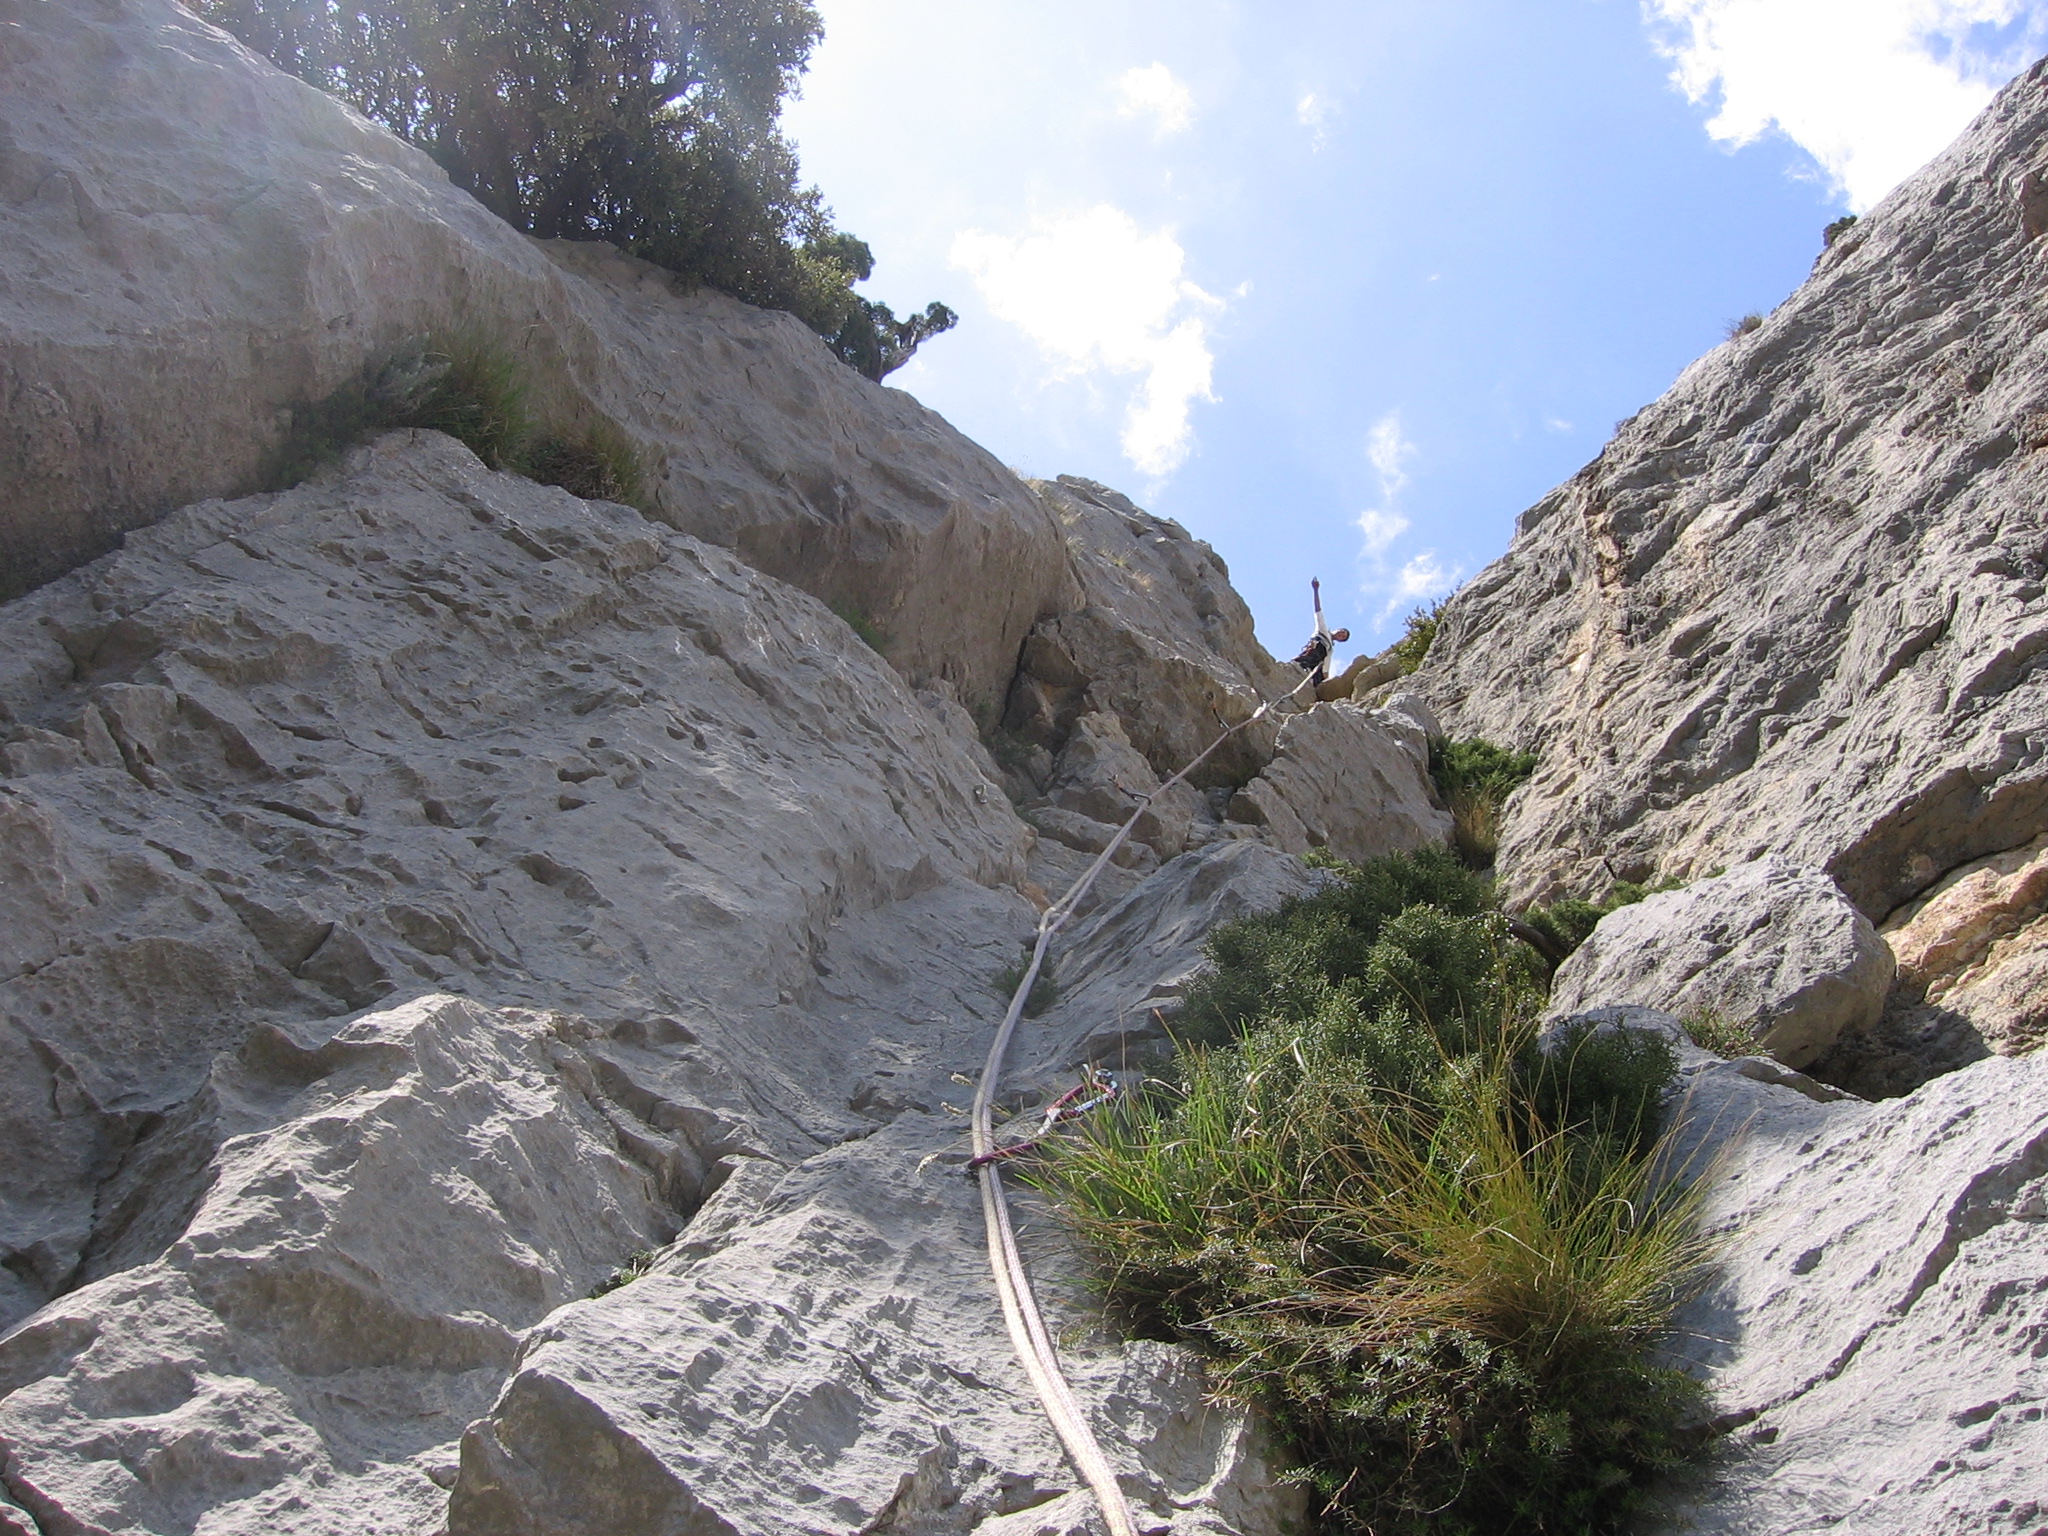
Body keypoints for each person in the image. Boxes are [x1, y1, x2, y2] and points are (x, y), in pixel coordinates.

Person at [1291, 578, 1350, 688]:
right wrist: (1316, 590)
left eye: (1343, 636)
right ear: (1337, 630)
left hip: (1318, 661)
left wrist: (1326, 679)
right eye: (1342, 632)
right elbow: (1318, 610)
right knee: (1308, 658)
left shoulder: (1330, 648)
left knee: (1317, 679)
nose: (1341, 635)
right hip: (1314, 651)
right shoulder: (1323, 629)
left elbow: (1327, 663)